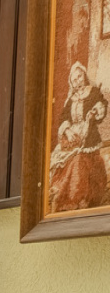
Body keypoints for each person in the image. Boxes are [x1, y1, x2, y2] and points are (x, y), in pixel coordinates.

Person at [49, 61, 109, 215]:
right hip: (73, 139)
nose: (78, 81)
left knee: (78, 162)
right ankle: (61, 193)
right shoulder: (71, 99)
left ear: (85, 75)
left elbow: (102, 104)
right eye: (74, 80)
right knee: (63, 162)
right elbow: (64, 117)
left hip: (89, 140)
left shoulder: (93, 92)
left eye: (80, 77)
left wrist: (94, 112)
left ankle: (77, 198)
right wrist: (68, 130)